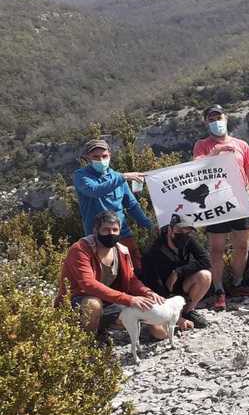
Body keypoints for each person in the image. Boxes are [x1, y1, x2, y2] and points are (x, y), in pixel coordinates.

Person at [193, 105, 249, 311]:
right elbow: (195, 167)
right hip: (215, 201)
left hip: (240, 200)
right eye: (211, 118)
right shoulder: (202, 145)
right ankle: (218, 291)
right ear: (206, 122)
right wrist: (214, 153)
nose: (216, 121)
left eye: (219, 117)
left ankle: (237, 284)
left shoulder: (242, 144)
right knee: (217, 249)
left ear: (226, 118)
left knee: (242, 246)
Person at [56, 211, 167, 340]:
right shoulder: (81, 249)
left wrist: (147, 292)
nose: (111, 234)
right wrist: (129, 299)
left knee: (157, 327)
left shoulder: (122, 251)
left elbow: (131, 280)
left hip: (108, 301)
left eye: (115, 230)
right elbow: (88, 284)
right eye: (106, 230)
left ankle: (112, 329)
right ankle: (88, 343)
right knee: (93, 304)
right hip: (76, 301)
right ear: (96, 231)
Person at [73, 139, 152, 271]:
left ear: (110, 155)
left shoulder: (117, 177)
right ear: (87, 158)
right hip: (98, 237)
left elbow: (131, 205)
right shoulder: (81, 176)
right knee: (107, 273)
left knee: (136, 270)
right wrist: (123, 177)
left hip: (123, 234)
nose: (101, 160)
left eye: (104, 156)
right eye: (96, 157)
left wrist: (149, 225)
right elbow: (95, 191)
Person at [141, 213, 212, 330]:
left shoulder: (188, 241)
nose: (184, 235)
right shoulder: (154, 251)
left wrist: (177, 272)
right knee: (158, 332)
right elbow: (154, 286)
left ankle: (188, 311)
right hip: (162, 292)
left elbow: (206, 261)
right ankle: (174, 316)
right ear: (170, 229)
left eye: (187, 231)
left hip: (181, 286)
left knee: (205, 275)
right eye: (180, 230)